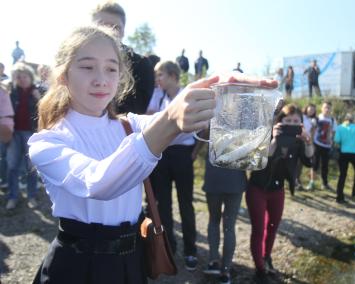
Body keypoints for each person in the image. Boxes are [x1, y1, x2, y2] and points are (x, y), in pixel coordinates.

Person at [28, 25, 217, 284]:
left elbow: (175, 120)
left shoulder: (130, 125)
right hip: (77, 268)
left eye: (111, 68)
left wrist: (225, 90)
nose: (101, 79)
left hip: (131, 263)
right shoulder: (46, 141)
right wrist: (171, 121)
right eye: (87, 67)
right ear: (63, 75)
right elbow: (98, 182)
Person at [247, 104, 313, 283]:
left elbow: (309, 161)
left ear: (301, 123)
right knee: (259, 229)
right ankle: (259, 268)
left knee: (273, 227)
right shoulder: (267, 134)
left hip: (278, 190)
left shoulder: (298, 141)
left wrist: (308, 141)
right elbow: (260, 158)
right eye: (288, 121)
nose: (292, 124)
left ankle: (267, 258)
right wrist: (275, 139)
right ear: (279, 121)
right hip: (257, 188)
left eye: (296, 121)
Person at [146, 61, 199, 270]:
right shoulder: (158, 96)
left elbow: (200, 127)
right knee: (163, 205)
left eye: (160, 75)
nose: (157, 79)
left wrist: (193, 154)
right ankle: (169, 248)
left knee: (185, 203)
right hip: (163, 155)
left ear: (173, 75)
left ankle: (190, 251)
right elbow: (149, 121)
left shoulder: (187, 95)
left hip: (183, 155)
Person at [192, 130, 247, 284]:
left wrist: (194, 152)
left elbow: (201, 134)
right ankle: (226, 271)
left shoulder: (213, 113)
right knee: (229, 226)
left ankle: (213, 261)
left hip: (214, 175)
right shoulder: (245, 117)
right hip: (236, 177)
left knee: (214, 220)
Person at [92, 1, 155, 114]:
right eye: (101, 26)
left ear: (123, 32)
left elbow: (135, 111)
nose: (108, 32)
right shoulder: (73, 60)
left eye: (115, 28)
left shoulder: (141, 65)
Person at [5, 63, 40, 210]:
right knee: (12, 166)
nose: (22, 79)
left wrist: (40, 99)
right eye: (18, 77)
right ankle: (13, 196)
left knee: (31, 166)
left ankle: (32, 195)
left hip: (31, 133)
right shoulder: (10, 91)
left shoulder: (38, 91)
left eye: (25, 76)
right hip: (13, 133)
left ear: (31, 77)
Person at [334, 113, 355, 203]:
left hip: (344, 153)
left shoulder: (340, 127)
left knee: (342, 174)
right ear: (353, 120)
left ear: (345, 119)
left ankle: (339, 196)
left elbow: (336, 140)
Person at [307, 102, 336, 191]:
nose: (327, 109)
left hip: (327, 146)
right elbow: (312, 130)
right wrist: (311, 143)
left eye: (329, 108)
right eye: (325, 107)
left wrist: (331, 142)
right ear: (322, 108)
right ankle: (312, 183)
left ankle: (325, 183)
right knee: (314, 164)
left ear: (331, 109)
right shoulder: (317, 118)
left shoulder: (332, 119)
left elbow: (334, 132)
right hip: (316, 144)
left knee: (325, 166)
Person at [0, 84, 14, 188]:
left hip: (6, 123)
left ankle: (6, 181)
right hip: (4, 122)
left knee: (6, 156)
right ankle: (5, 181)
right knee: (4, 156)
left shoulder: (4, 87)